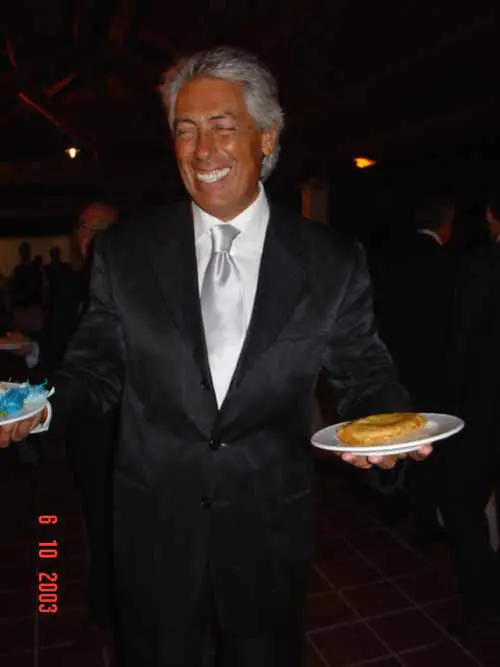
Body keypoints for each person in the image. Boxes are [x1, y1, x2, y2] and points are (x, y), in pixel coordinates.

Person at [0, 47, 432, 667]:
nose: (202, 151)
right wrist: (37, 410)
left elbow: (365, 374)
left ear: (267, 137)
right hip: (153, 528)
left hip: (268, 530)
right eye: (186, 130)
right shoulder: (126, 252)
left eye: (222, 127)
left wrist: (393, 430)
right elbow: (93, 368)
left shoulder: (330, 260)